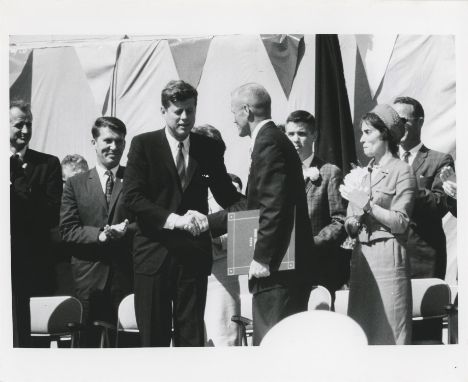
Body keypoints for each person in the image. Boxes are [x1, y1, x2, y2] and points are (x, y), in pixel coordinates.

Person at [122, 80, 242, 347]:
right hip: (153, 258)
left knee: (192, 340)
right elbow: (133, 198)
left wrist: (262, 201)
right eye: (178, 111)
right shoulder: (143, 144)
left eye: (190, 110)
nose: (185, 117)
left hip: (192, 259)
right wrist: (175, 221)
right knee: (154, 340)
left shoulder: (207, 147)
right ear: (163, 111)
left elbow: (227, 196)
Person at [207, 83, 315, 345]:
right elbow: (257, 204)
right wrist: (207, 222)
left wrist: (262, 257)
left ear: (246, 110)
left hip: (277, 270)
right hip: (284, 269)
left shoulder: (268, 142)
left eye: (234, 112)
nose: (233, 119)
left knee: (272, 344)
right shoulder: (273, 140)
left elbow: (272, 205)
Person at [340, 104, 417, 345]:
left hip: (388, 257)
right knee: (362, 334)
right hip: (362, 259)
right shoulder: (362, 173)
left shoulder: (402, 171)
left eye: (367, 132)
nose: (362, 139)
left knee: (390, 333)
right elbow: (350, 223)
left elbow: (401, 222)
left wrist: (368, 206)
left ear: (385, 134)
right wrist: (351, 221)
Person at [60, 117, 134, 347]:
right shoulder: (75, 184)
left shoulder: (135, 179)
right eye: (108, 140)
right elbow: (68, 230)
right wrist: (100, 235)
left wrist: (126, 230)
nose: (114, 147)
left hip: (127, 277)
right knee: (87, 349)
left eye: (120, 141)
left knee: (127, 348)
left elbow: (148, 222)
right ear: (93, 143)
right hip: (89, 281)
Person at [10, 100, 63, 347]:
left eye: (29, 124)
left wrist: (18, 180)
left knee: (32, 337)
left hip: (32, 265)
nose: (25, 130)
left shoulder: (47, 165)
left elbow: (51, 215)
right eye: (19, 124)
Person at [284, 110, 348, 301]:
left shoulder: (329, 172)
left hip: (319, 265)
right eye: (291, 134)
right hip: (285, 265)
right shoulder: (279, 173)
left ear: (314, 136)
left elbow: (339, 220)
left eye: (302, 134)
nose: (296, 140)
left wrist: (312, 243)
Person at [392, 97, 454, 279]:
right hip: (389, 255)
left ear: (420, 122)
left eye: (403, 121)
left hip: (423, 257)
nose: (398, 126)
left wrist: (406, 186)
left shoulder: (440, 160)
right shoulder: (385, 161)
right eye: (394, 121)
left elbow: (440, 204)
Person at [192, 124, 242, 346]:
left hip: (219, 271)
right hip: (188, 269)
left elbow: (243, 226)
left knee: (223, 338)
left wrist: (210, 234)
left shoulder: (227, 186)